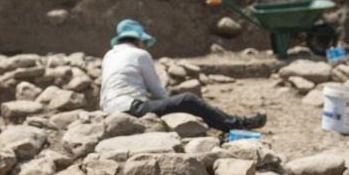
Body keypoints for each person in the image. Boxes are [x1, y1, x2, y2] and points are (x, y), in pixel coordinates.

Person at [99, 19, 266, 132]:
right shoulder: (140, 55)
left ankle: (235, 122)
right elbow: (158, 92)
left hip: (109, 108)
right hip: (131, 108)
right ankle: (238, 124)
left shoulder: (108, 55)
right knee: (188, 100)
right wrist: (173, 103)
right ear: (138, 41)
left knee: (180, 102)